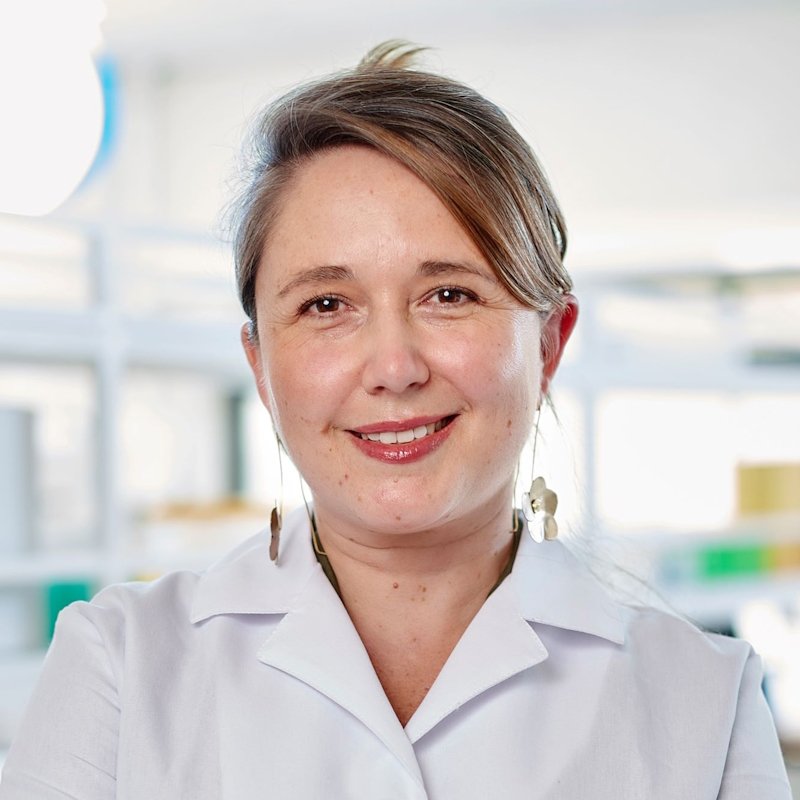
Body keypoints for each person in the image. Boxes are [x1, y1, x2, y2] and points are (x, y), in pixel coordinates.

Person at [0, 42, 791, 799]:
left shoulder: (705, 705)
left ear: (549, 344)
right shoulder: (121, 666)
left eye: (449, 294)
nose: (393, 366)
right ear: (260, 367)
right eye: (326, 304)